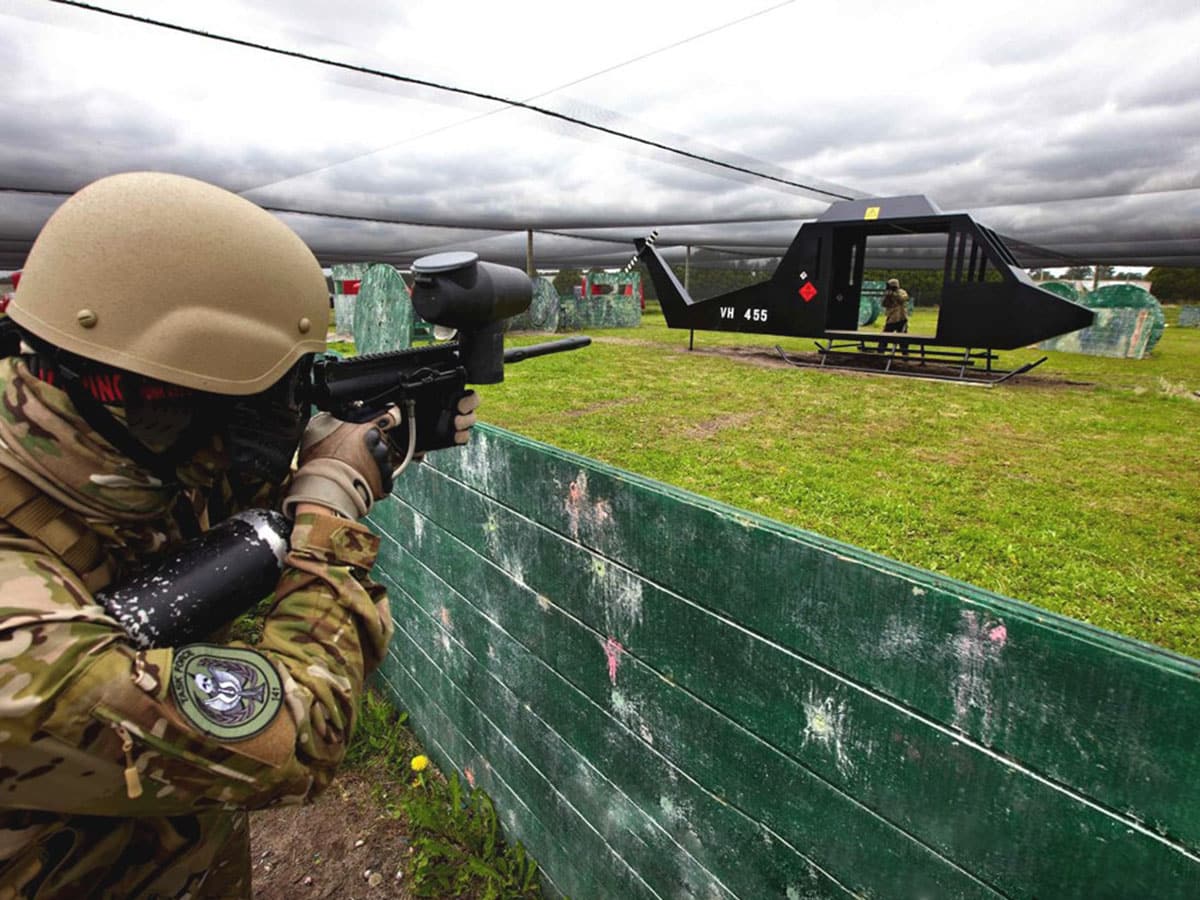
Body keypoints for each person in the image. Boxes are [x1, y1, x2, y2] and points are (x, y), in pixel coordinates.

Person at [0, 172, 477, 897]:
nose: (282, 417)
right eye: (269, 399)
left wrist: (383, 435)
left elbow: (192, 502)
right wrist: (330, 507)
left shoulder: (103, 441)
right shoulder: (23, 655)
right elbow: (298, 735)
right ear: (166, 398)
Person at [878, 276, 910, 354]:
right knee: (884, 337)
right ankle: (880, 352)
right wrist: (887, 296)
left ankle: (905, 354)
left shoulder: (902, 292)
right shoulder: (888, 293)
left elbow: (902, 299)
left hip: (902, 318)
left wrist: (895, 294)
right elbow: (884, 304)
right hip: (891, 319)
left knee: (903, 339)